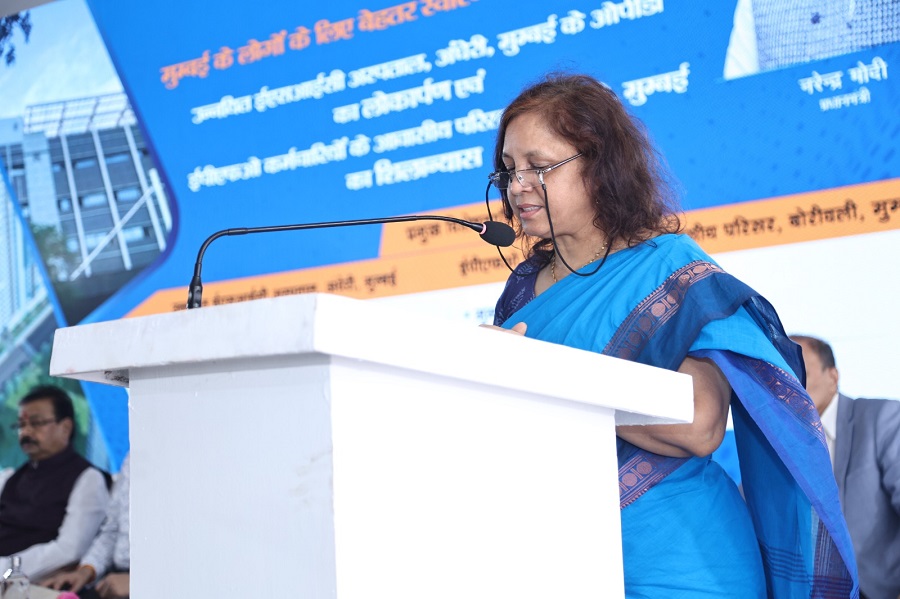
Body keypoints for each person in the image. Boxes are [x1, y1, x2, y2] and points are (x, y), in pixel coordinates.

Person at [487, 73, 858, 596]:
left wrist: (541, 374)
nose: (517, 185)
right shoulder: (522, 289)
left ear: (600, 165)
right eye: (509, 169)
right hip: (565, 552)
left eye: (538, 167)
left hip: (683, 560)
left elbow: (699, 425)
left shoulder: (671, 269)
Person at [790, 335, 900, 599]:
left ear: (833, 377)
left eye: (800, 371)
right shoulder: (776, 442)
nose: (789, 383)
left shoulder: (883, 419)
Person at [0, 385, 109, 580]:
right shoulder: (10, 478)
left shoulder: (88, 479)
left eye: (36, 423)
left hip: (32, 582)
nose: (26, 431)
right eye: (21, 424)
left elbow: (69, 550)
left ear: (65, 427)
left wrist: (6, 568)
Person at [41, 453, 130, 599]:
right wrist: (86, 571)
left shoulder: (88, 476)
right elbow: (112, 531)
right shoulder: (131, 459)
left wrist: (140, 580)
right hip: (114, 579)